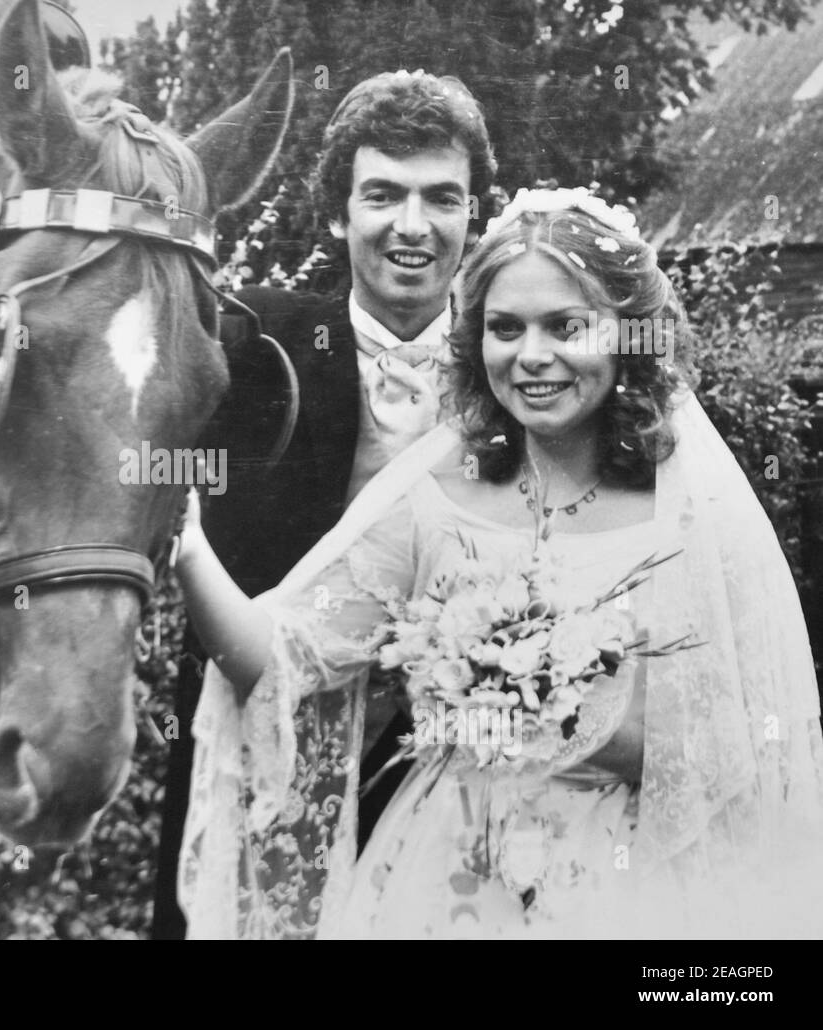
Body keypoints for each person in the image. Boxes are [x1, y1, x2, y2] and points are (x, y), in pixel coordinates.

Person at [174, 187, 823, 939]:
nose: (532, 356)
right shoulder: (435, 496)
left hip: (629, 887)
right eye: (505, 328)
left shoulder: (683, 511)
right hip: (441, 880)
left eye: (565, 326)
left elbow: (744, 746)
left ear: (627, 335)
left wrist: (548, 710)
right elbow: (284, 654)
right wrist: (184, 543)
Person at [150, 69, 499, 939]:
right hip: (260, 763)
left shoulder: (523, 368)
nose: (412, 227)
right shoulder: (251, 344)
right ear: (338, 213)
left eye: (440, 198)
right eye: (382, 195)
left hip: (457, 788)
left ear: (474, 216)